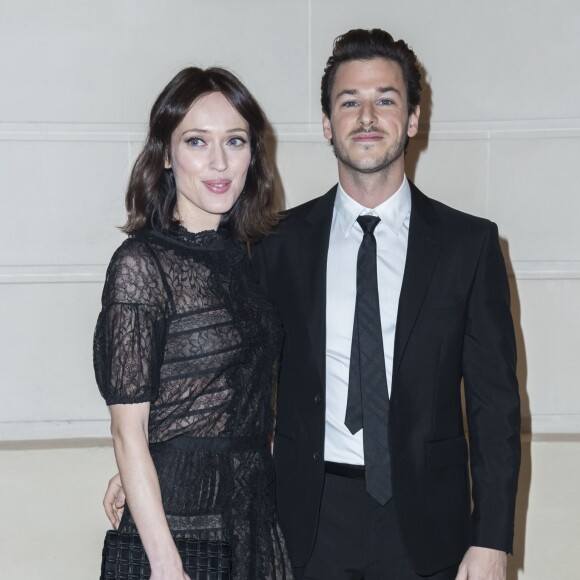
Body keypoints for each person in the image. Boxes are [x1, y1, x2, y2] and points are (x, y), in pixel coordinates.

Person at [105, 29, 521, 580]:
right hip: (303, 520)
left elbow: (495, 408)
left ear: (414, 119)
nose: (367, 115)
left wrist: (491, 538)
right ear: (327, 124)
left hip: (428, 524)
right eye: (349, 101)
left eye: (386, 100)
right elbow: (227, 366)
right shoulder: (274, 243)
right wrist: (151, 459)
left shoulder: (469, 246)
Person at [94, 66, 293, 579]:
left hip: (252, 519)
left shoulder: (249, 261)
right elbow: (127, 429)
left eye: (235, 140)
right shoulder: (141, 264)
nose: (220, 161)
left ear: (254, 153)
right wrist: (165, 565)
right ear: (165, 153)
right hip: (177, 534)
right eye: (197, 141)